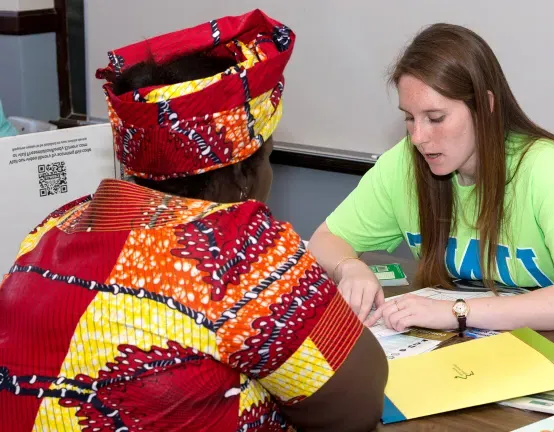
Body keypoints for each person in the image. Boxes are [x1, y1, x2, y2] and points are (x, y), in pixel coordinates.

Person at [0, 10, 387, 432]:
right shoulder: (236, 247)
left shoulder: (55, 226)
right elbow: (356, 406)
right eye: (269, 158)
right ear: (243, 175)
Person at [308, 23, 554, 334]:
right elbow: (325, 240)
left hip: (552, 347)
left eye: (435, 118)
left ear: (485, 106)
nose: (418, 137)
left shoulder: (547, 168)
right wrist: (349, 267)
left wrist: (457, 312)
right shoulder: (404, 163)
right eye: (409, 117)